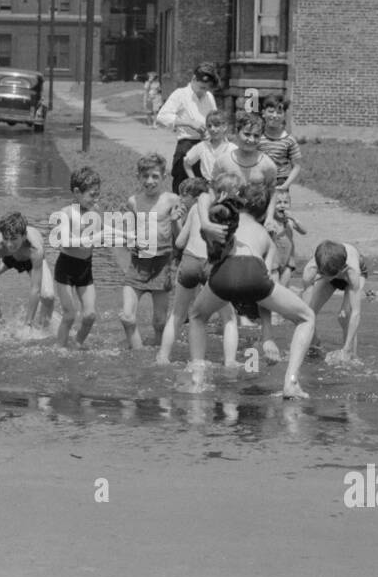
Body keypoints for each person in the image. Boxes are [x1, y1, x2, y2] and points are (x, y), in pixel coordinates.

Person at [187, 181, 314, 399]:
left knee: (197, 316)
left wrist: (206, 223)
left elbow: (202, 197)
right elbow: (266, 285)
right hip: (255, 273)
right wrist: (267, 335)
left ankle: (197, 381)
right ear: (265, 211)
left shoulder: (227, 215)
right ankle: (291, 383)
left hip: (223, 275)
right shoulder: (266, 235)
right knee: (306, 317)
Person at [157, 175, 239, 366]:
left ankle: (162, 356)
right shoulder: (228, 211)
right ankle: (230, 362)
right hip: (212, 265)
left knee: (177, 314)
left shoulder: (196, 209)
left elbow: (179, 242)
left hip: (190, 262)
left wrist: (174, 222)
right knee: (229, 317)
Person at [119, 154, 182, 350]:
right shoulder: (134, 201)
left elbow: (180, 239)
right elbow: (126, 233)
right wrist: (129, 239)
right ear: (138, 176)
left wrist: (173, 221)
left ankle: (156, 352)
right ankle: (137, 355)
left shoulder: (172, 200)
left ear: (164, 176)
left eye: (155, 176)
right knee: (127, 317)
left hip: (162, 265)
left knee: (160, 322)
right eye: (145, 176)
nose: (150, 181)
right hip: (138, 264)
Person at [50, 166, 111, 348]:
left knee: (90, 315)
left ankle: (77, 345)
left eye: (98, 194)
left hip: (85, 268)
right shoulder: (66, 213)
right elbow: (66, 242)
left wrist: (128, 237)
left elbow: (104, 232)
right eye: (92, 195)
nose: (96, 198)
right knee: (69, 315)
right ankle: (59, 348)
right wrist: (92, 238)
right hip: (66, 268)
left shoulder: (94, 212)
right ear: (77, 192)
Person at [0, 211, 56, 328]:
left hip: (30, 260)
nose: (9, 244)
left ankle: (43, 328)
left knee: (48, 296)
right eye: (6, 238)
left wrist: (27, 325)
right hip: (8, 257)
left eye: (13, 239)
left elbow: (35, 289)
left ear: (24, 236)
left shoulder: (35, 249)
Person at [155, 62, 218, 194]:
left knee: (204, 188)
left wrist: (210, 132)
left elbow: (215, 119)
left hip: (206, 146)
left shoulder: (209, 97)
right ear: (194, 79)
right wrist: (188, 122)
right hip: (186, 145)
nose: (204, 91)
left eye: (207, 88)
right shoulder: (180, 94)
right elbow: (162, 117)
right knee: (183, 188)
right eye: (201, 87)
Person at [301, 240, 368, 362]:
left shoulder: (352, 270)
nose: (329, 277)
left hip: (350, 276)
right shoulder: (310, 271)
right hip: (330, 271)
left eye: (332, 275)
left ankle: (351, 355)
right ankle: (315, 346)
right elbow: (305, 310)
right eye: (325, 274)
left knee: (344, 316)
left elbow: (356, 313)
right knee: (309, 313)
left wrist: (346, 349)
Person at [256, 96, 302, 201]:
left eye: (279, 112)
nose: (275, 116)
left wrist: (286, 185)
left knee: (279, 213)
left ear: (284, 115)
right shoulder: (257, 137)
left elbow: (297, 166)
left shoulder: (289, 140)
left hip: (280, 181)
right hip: (259, 181)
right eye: (271, 112)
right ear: (263, 113)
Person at [182, 109, 233, 182]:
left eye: (216, 125)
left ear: (225, 127)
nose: (212, 129)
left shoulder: (232, 148)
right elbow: (186, 162)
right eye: (209, 126)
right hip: (208, 186)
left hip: (226, 186)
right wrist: (194, 180)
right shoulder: (202, 146)